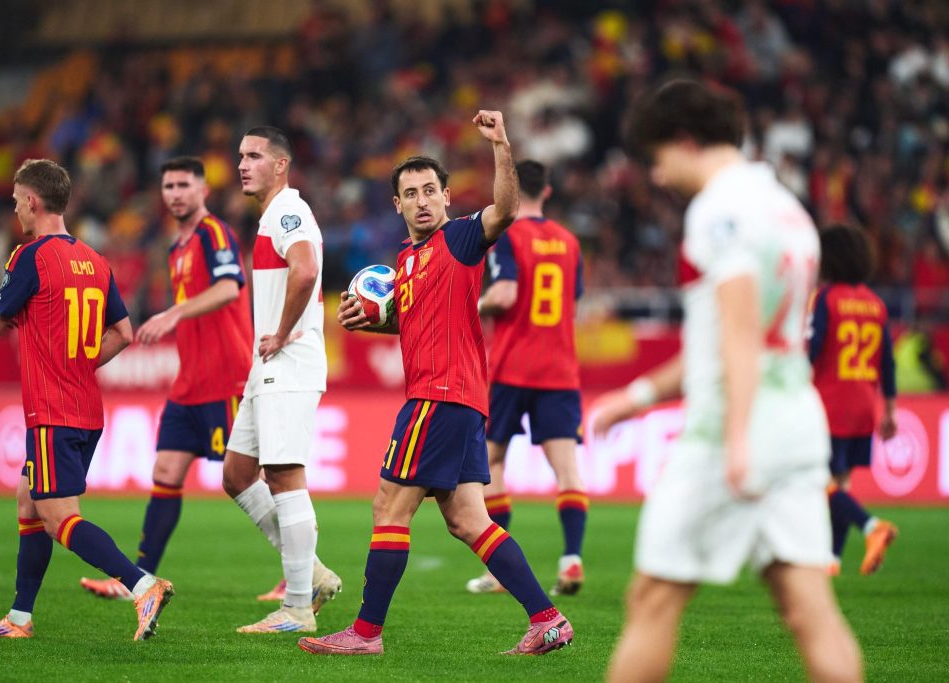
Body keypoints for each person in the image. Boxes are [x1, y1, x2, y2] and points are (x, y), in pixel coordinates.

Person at [591, 81, 862, 682]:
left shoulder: (718, 211)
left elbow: (739, 335)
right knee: (809, 610)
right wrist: (637, 398)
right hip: (797, 425)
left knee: (652, 601)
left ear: (686, 141)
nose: (658, 177)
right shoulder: (788, 208)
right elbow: (730, 336)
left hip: (731, 433)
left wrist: (738, 440)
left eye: (658, 159)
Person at [299, 111, 574, 657]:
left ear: (447, 197)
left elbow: (507, 210)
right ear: (397, 205)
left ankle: (365, 634)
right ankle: (547, 619)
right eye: (411, 193)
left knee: (388, 507)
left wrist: (500, 144)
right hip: (459, 401)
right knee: (470, 519)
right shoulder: (405, 260)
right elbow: (414, 319)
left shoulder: (460, 240)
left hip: (439, 396)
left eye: (431, 190)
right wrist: (372, 320)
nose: (423, 200)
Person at [0, 159, 173, 641]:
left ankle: (141, 583)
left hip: (51, 410)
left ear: (33, 201)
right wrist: (79, 363)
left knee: (58, 515)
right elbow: (123, 332)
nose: (16, 208)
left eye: (17, 199)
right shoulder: (95, 259)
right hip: (86, 408)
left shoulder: (29, 257)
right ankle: (20, 618)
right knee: (30, 500)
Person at [79, 156, 253, 600]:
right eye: (168, 186)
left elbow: (230, 286)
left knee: (257, 479)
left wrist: (173, 313)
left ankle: (301, 570)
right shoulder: (176, 247)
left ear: (203, 190)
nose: (175, 193)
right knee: (165, 471)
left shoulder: (214, 233)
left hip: (227, 377)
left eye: (183, 184)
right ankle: (140, 580)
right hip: (189, 382)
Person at [222, 126, 341, 634]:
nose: (243, 164)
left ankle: (296, 609)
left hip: (287, 363)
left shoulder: (288, 210)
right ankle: (310, 571)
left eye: (254, 156)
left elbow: (306, 269)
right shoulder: (272, 214)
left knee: (284, 476)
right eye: (241, 156)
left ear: (280, 165)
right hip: (267, 367)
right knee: (237, 474)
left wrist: (282, 331)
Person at [469, 159, 588, 597]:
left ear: (514, 191)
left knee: (492, 462)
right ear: (549, 192)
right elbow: (571, 306)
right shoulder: (570, 243)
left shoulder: (507, 234)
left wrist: (471, 307)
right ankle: (571, 559)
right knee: (567, 469)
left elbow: (505, 293)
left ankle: (499, 571)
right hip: (559, 370)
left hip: (513, 367)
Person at [809, 224, 898, 576]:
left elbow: (811, 351)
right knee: (840, 485)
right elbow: (886, 362)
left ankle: (871, 526)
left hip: (830, 405)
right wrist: (889, 409)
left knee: (816, 481)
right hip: (863, 404)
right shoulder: (876, 305)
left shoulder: (826, 299)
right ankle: (831, 561)